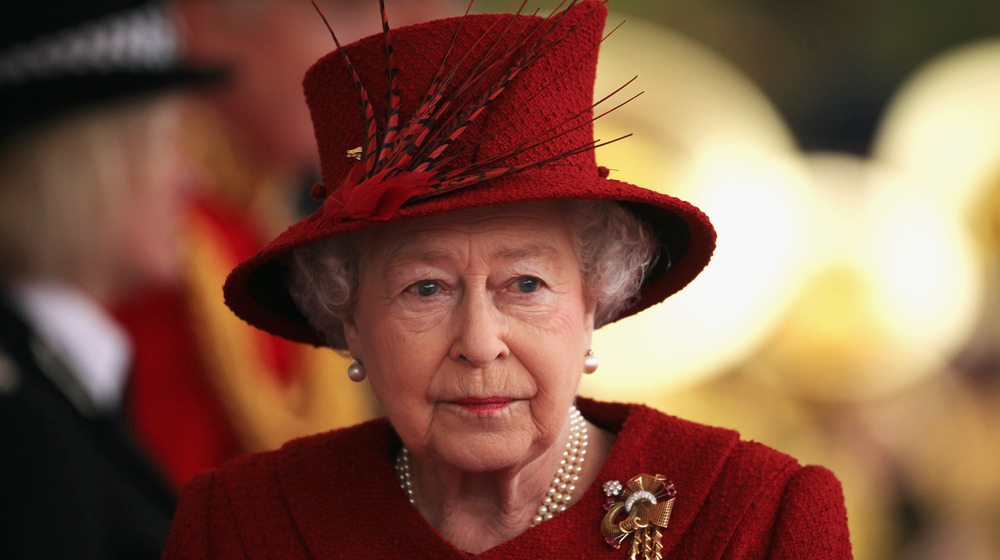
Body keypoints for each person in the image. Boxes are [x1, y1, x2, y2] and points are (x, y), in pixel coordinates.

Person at [163, 1, 853, 557]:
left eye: (524, 284)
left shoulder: (757, 518)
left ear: (595, 298)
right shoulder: (239, 525)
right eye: (425, 288)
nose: (479, 343)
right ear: (350, 320)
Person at [0, 1, 221, 558]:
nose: (189, 176)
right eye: (165, 142)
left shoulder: (55, 379)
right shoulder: (23, 431)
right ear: (83, 167)